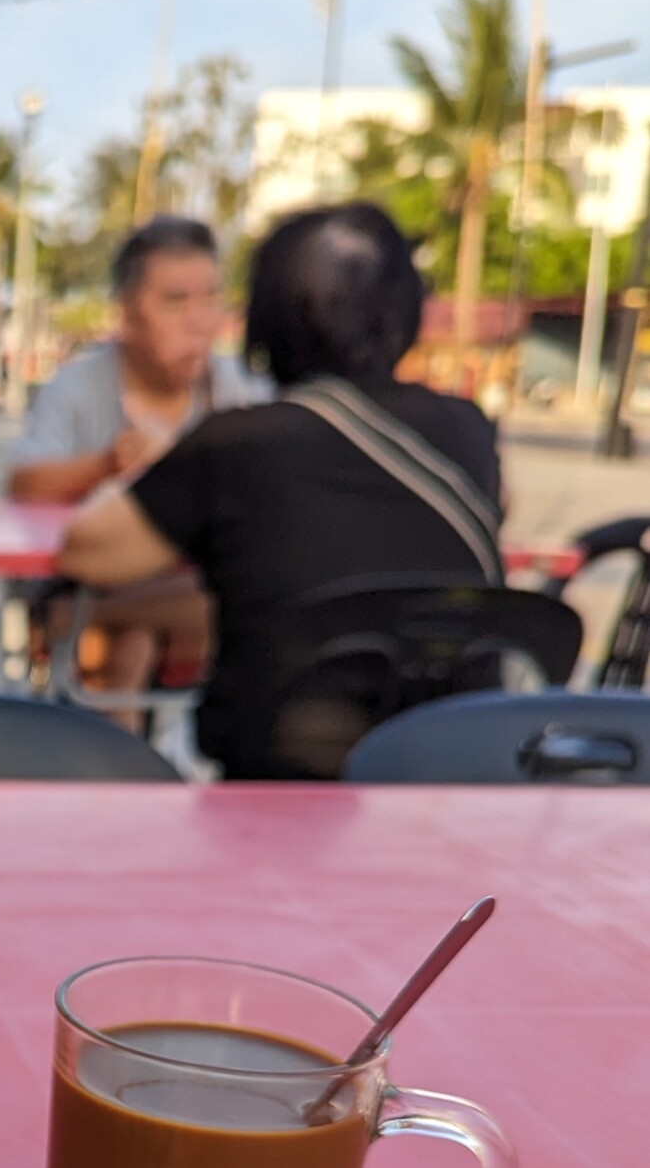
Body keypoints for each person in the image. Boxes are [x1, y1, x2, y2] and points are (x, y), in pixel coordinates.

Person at [60, 201, 504, 779]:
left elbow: (88, 551)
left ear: (267, 314)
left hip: (278, 788)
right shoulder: (469, 429)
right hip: (447, 778)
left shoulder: (236, 443)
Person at [11, 216, 266, 694]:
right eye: (176, 301)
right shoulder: (78, 386)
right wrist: (108, 463)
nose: (200, 320)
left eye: (211, 297)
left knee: (131, 631)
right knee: (128, 640)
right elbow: (23, 484)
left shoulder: (240, 389)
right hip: (98, 575)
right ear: (127, 312)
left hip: (195, 586)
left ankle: (73, 622)